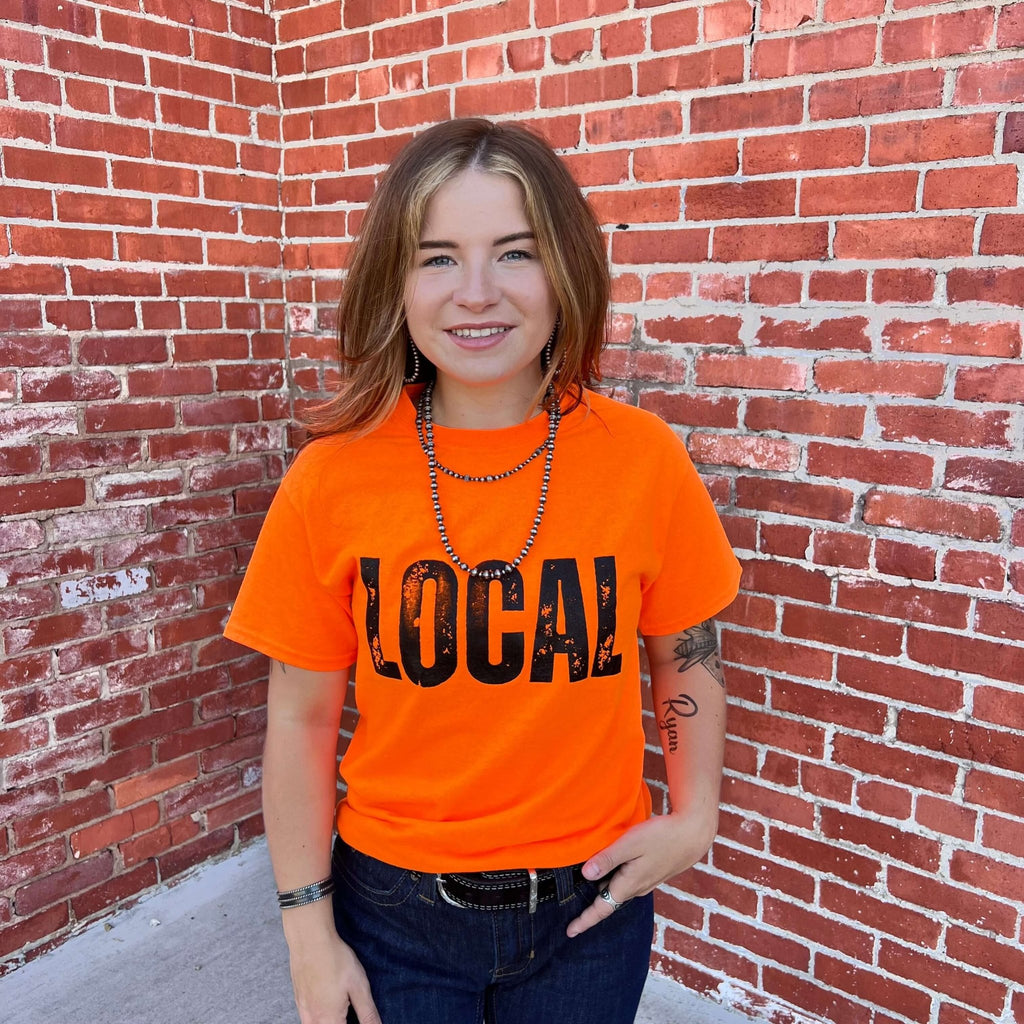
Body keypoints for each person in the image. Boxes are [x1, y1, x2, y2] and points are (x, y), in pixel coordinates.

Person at [224, 117, 741, 1024]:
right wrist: (309, 935)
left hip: (592, 908)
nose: (475, 293)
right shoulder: (332, 478)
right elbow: (301, 718)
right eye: (436, 259)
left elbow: (686, 646)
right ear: (396, 279)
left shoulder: (643, 459)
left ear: (567, 268)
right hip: (394, 914)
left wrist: (695, 813)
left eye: (514, 252)